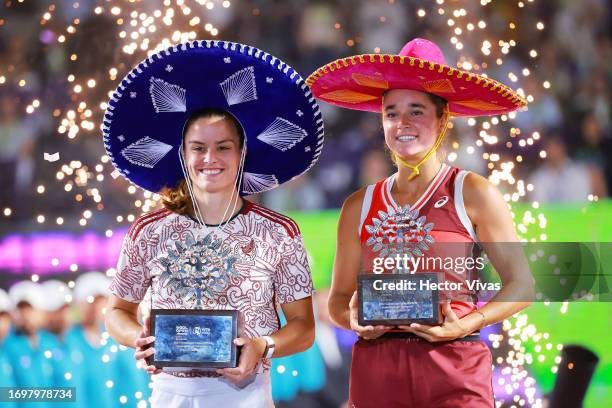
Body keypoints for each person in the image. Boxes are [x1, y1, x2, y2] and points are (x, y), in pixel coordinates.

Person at [307, 38, 535, 407]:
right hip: (377, 372)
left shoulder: (473, 192)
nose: (402, 123)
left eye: (416, 111)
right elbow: (338, 301)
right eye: (391, 113)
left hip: (454, 369)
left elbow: (522, 285)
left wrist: (466, 324)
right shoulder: (357, 206)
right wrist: (353, 319)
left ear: (443, 118)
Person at [103, 40, 324, 407]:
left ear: (242, 154)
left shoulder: (278, 232)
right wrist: (136, 339)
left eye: (223, 147)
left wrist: (263, 346)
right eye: (198, 147)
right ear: (182, 154)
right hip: (169, 396)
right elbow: (116, 311)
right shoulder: (149, 231)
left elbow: (304, 328)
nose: (210, 158)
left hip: (248, 396)